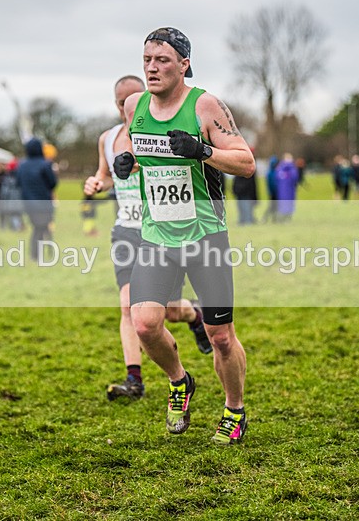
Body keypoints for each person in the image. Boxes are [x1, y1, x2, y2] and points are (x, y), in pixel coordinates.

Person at [115, 27, 255, 444]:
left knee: (221, 337)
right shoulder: (135, 105)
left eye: (162, 61)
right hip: (157, 235)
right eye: (147, 61)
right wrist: (129, 164)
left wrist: (203, 151)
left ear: (184, 64)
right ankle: (180, 381)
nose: (152, 68)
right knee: (143, 324)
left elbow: (246, 163)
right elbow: (145, 155)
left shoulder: (205, 106)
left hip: (205, 235)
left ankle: (234, 410)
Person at [84, 75, 212, 403]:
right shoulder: (108, 138)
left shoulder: (157, 135)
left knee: (169, 312)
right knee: (128, 305)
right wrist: (96, 184)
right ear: (116, 106)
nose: (128, 108)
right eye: (121, 102)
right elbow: (106, 175)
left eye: (134, 100)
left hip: (159, 231)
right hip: (126, 231)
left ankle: (194, 315)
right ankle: (134, 378)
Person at [17, 138, 58, 261]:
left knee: (39, 227)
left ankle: (42, 253)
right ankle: (39, 254)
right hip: (44, 202)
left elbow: (18, 183)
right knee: (42, 227)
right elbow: (52, 183)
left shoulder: (22, 165)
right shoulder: (45, 164)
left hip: (28, 203)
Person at [275, 152, 299, 221]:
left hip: (283, 191)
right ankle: (286, 217)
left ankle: (284, 217)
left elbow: (276, 179)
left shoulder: (280, 169)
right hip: (288, 191)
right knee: (288, 204)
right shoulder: (292, 169)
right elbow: (295, 179)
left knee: (284, 204)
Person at [261, 155, 279, 223]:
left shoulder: (274, 172)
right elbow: (271, 184)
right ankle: (266, 218)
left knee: (275, 207)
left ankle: (274, 219)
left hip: (274, 192)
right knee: (272, 207)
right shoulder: (271, 173)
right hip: (273, 193)